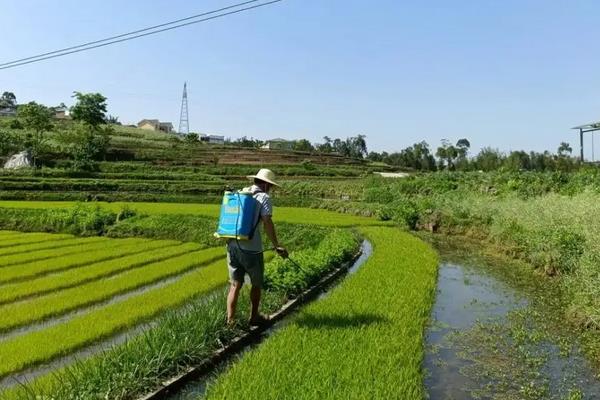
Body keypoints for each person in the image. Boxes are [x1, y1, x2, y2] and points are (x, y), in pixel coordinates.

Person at [226, 168, 288, 327]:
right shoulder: (264, 197)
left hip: (232, 245)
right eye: (271, 186)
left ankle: (230, 322)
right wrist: (276, 245)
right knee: (256, 283)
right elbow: (267, 222)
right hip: (251, 249)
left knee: (235, 285)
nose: (272, 189)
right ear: (266, 185)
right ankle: (254, 317)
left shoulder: (240, 193)